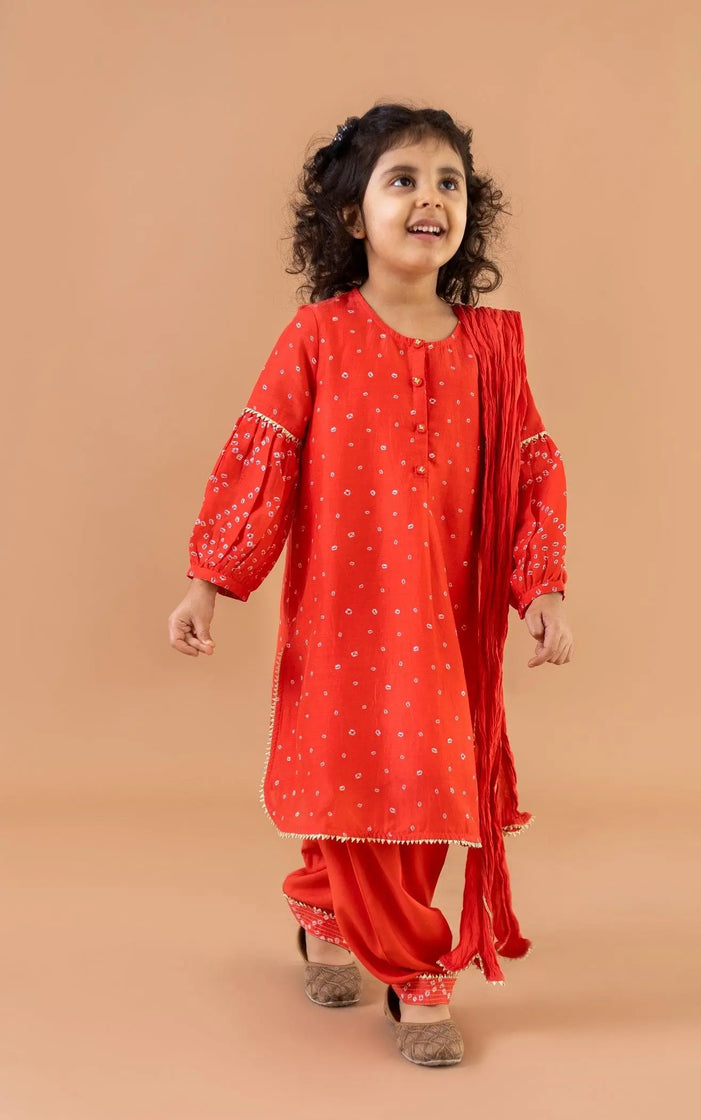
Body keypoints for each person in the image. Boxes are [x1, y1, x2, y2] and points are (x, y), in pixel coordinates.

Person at [167, 102, 573, 1067]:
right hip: (346, 615)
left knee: (427, 783)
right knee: (352, 773)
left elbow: (530, 468)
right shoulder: (317, 336)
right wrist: (208, 581)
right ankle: (417, 971)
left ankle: (325, 909)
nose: (431, 198)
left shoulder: (489, 350)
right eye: (404, 180)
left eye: (449, 182)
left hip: (448, 621)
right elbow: (263, 460)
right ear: (352, 215)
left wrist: (541, 587)